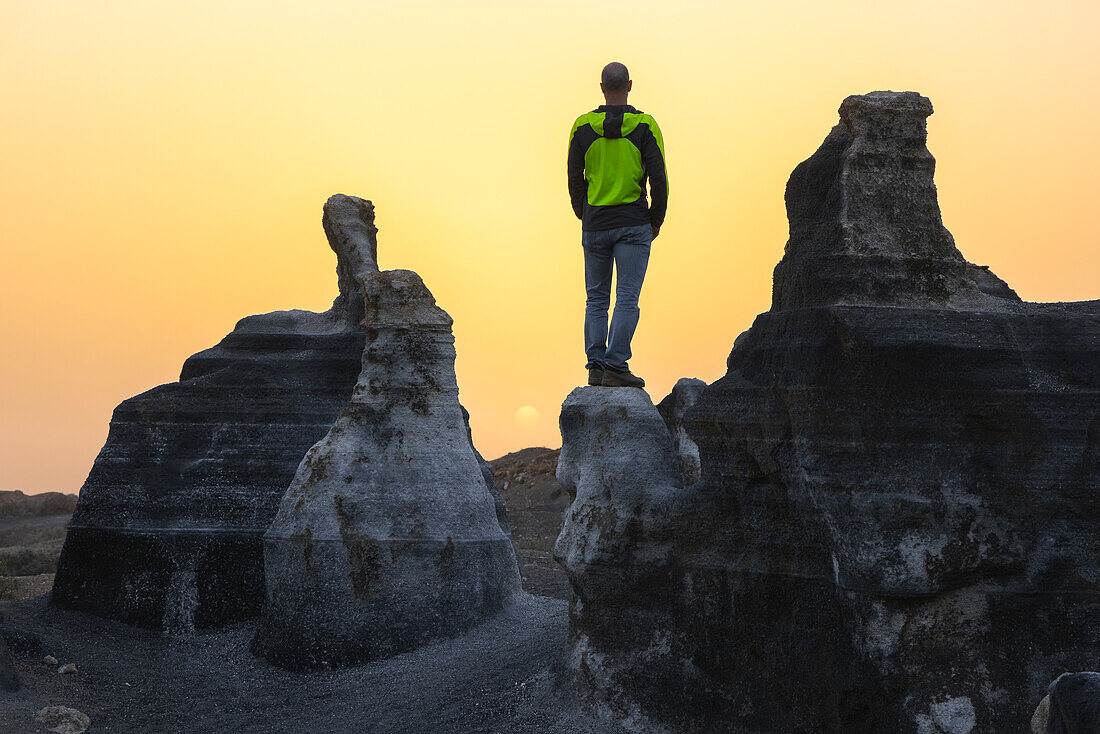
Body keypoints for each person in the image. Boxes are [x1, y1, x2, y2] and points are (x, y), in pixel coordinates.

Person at [567, 61, 667, 388]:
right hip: (633, 224)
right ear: (630, 85)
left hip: (595, 224)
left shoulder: (581, 127)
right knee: (626, 298)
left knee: (595, 299)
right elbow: (659, 179)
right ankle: (615, 365)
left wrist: (585, 214)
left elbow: (574, 179)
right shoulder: (645, 126)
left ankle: (595, 367)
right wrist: (655, 221)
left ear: (601, 87)